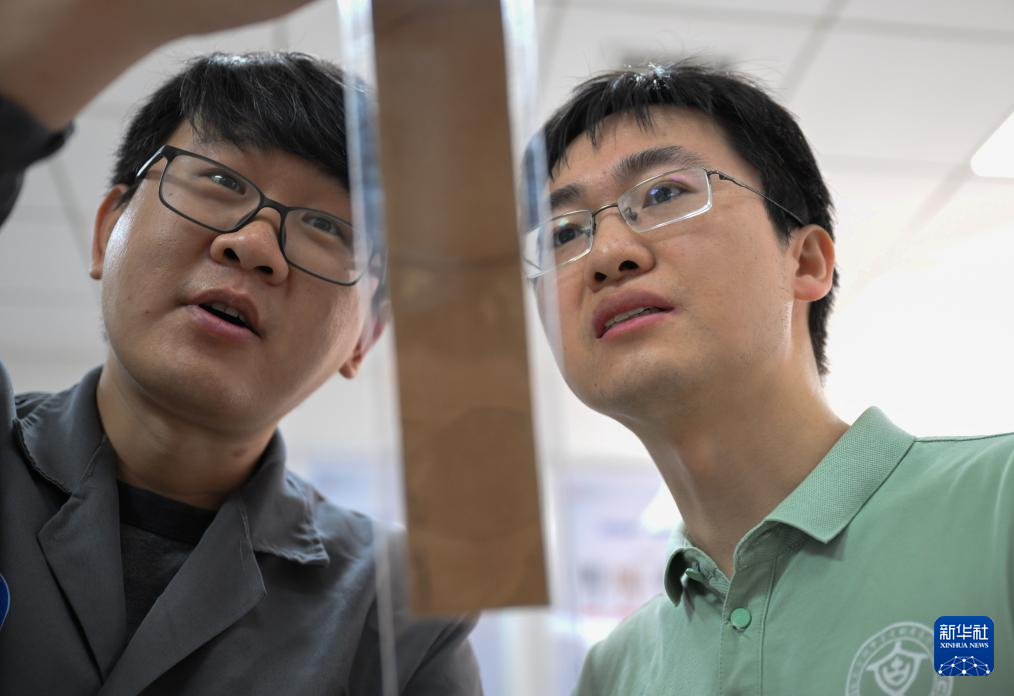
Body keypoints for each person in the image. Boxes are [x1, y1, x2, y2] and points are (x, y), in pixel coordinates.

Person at [0, 2, 481, 694]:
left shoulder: (401, 609)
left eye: (327, 228)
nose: (254, 246)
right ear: (108, 231)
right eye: (221, 181)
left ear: (365, 337)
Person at [528, 61, 1013, 695]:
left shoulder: (995, 510)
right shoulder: (617, 672)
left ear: (806, 261)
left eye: (664, 194)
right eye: (565, 233)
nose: (607, 253)